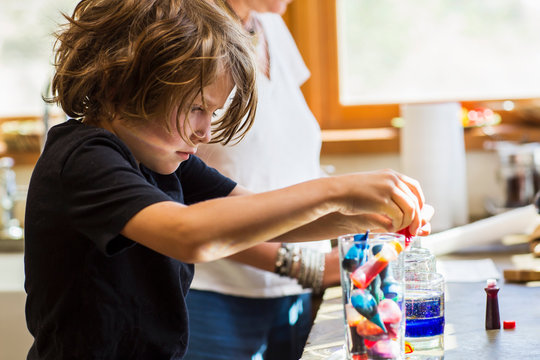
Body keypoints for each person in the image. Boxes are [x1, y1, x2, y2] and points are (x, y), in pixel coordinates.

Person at [24, 0, 431, 359]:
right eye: (196, 108)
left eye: (212, 113)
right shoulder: (84, 158)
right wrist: (337, 189)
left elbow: (264, 219)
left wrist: (371, 216)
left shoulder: (166, 157)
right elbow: (190, 235)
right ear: (124, 84)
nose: (205, 132)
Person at [185, 1, 341, 359]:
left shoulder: (271, 27)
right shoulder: (191, 33)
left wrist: (353, 221)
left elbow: (289, 160)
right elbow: (183, 197)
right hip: (214, 298)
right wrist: (310, 268)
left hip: (292, 296)